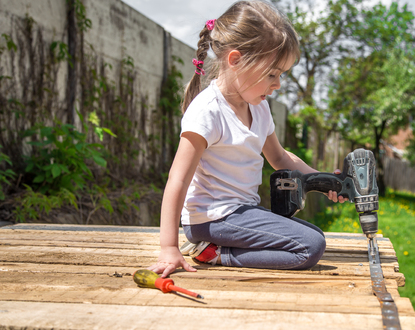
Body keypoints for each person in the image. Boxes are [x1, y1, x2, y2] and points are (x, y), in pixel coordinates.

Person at [147, 0, 346, 278]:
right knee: (310, 246)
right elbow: (177, 180)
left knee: (312, 233)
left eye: (282, 75)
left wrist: (322, 180)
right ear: (236, 60)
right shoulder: (208, 112)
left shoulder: (259, 107)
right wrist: (168, 246)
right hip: (211, 218)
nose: (277, 84)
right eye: (272, 74)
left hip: (240, 212)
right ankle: (217, 254)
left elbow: (279, 158)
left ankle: (216, 249)